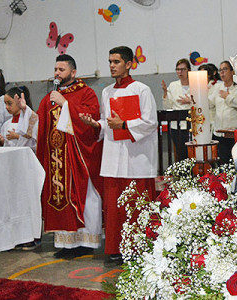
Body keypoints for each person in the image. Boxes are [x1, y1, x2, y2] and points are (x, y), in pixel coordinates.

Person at [80, 46, 158, 265]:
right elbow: (107, 123)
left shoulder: (141, 89)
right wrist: (95, 124)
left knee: (136, 205)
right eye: (110, 62)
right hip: (114, 157)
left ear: (129, 64)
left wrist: (124, 124)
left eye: (116, 62)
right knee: (115, 208)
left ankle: (140, 247)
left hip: (137, 157)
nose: (112, 66)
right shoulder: (107, 92)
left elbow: (151, 122)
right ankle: (115, 248)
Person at [36, 54, 104, 259]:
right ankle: (66, 243)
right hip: (58, 159)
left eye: (61, 70)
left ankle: (86, 242)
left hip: (79, 156)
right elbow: (40, 126)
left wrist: (66, 104)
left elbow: (92, 120)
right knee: (61, 198)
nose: (57, 73)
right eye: (56, 69)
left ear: (73, 72)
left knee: (86, 197)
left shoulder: (86, 92)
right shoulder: (49, 98)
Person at [209, 60, 237, 164]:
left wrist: (228, 97)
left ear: (232, 72)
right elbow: (210, 103)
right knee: (222, 163)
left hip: (235, 133)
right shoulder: (217, 87)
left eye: (225, 69)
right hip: (219, 132)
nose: (222, 73)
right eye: (220, 70)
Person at [161, 58, 192, 161]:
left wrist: (190, 101)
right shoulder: (173, 85)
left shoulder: (195, 84)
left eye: (183, 69)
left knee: (192, 153)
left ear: (188, 70)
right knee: (180, 153)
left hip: (192, 125)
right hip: (176, 125)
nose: (180, 72)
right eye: (178, 69)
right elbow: (168, 106)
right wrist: (165, 93)